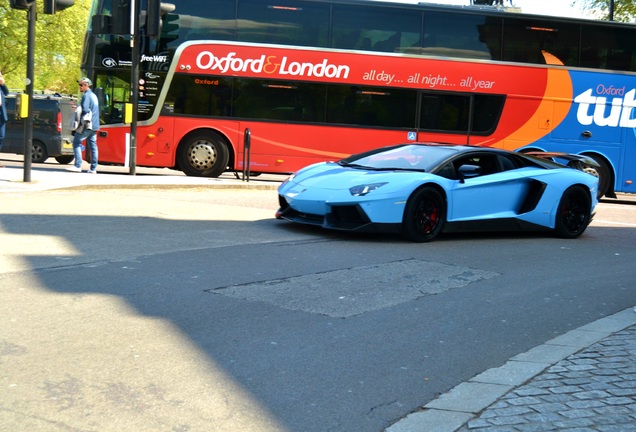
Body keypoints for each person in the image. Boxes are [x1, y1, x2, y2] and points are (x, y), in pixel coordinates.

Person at [68, 77, 99, 173]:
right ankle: (93, 168)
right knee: (93, 146)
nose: (80, 87)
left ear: (86, 85)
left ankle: (77, 165)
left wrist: (78, 108)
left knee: (76, 142)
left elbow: (85, 109)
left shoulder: (87, 96)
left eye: (81, 85)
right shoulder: (94, 95)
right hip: (94, 125)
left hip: (87, 124)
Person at [0, 72, 9, 168]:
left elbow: (7, 93)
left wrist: (2, 84)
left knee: (1, 137)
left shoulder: (1, 87)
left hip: (1, 115)